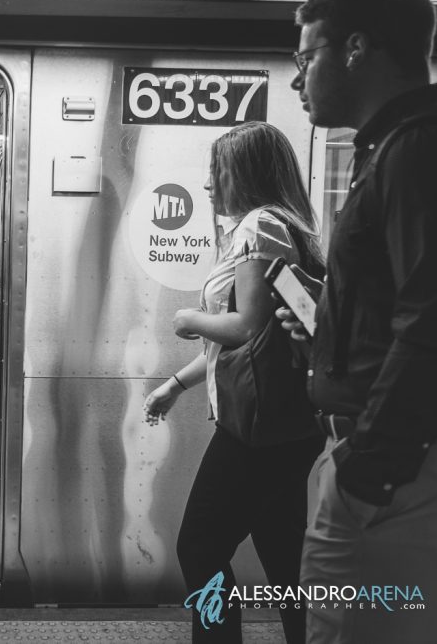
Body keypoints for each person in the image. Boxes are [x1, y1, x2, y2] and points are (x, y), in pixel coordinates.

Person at [278, 0, 437, 643]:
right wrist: (328, 320)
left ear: (355, 49)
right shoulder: (391, 148)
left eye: (305, 57)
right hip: (381, 464)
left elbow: (430, 316)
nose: (297, 80)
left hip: (389, 478)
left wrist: (365, 468)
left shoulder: (414, 150)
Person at [143, 121, 325, 643]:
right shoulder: (286, 226)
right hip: (286, 424)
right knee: (283, 552)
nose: (207, 183)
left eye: (216, 170)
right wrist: (177, 385)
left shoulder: (260, 226)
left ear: (245, 173)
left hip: (257, 431)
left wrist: (189, 319)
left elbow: (248, 327)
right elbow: (257, 343)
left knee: (199, 546)